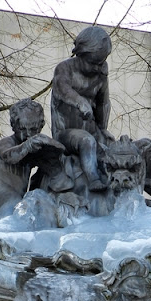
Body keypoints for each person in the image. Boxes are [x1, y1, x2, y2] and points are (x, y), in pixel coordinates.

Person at [0, 98, 72, 220]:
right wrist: (27, 146)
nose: (28, 134)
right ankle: (4, 232)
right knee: (13, 203)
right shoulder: (7, 142)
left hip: (16, 196)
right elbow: (8, 156)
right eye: (23, 129)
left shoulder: (34, 149)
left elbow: (53, 161)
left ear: (41, 126)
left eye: (33, 130)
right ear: (14, 125)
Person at [51, 26, 114, 192]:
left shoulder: (100, 74)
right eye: (93, 63)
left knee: (113, 148)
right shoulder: (65, 68)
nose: (96, 67)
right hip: (65, 133)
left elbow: (103, 103)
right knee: (86, 141)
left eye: (100, 63)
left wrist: (102, 128)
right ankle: (93, 179)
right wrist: (80, 102)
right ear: (80, 54)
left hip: (92, 130)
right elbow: (62, 88)